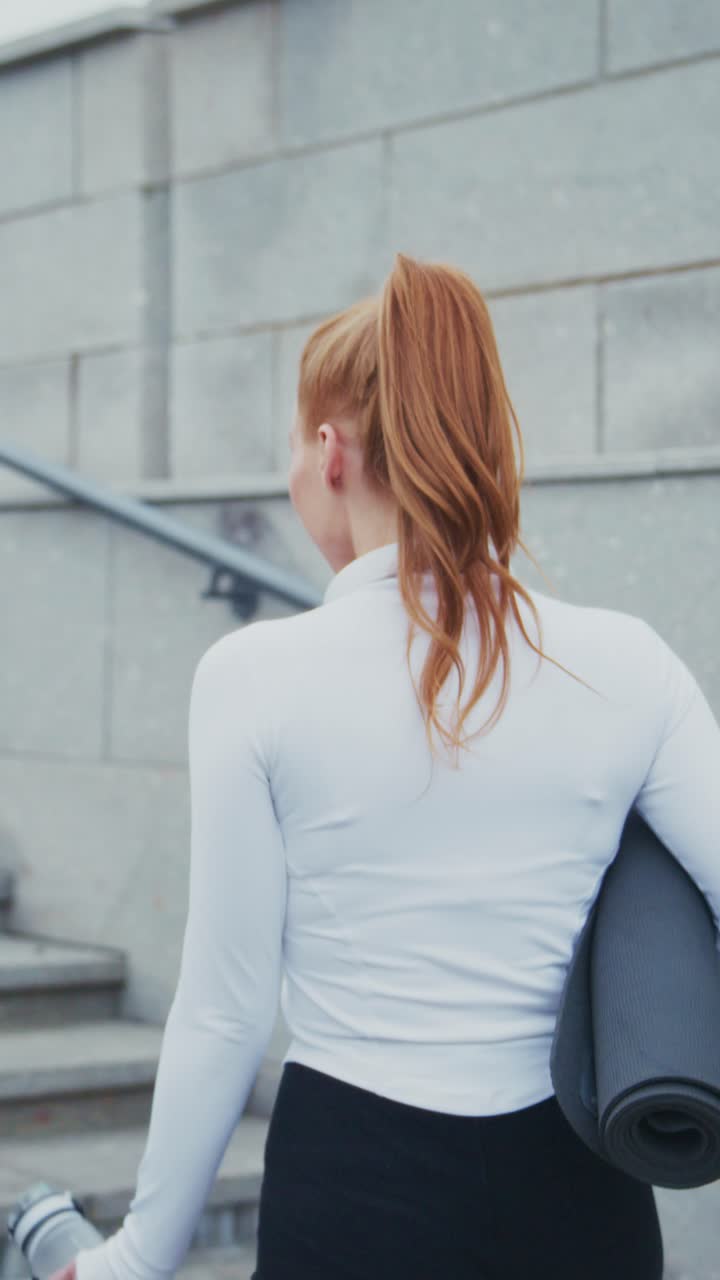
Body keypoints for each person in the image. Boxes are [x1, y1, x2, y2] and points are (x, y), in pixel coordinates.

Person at [54, 253, 720, 1280]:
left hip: (354, 1186)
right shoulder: (630, 662)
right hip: (579, 1188)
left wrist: (139, 1253)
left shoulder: (252, 675)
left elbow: (225, 1009)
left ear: (329, 451)